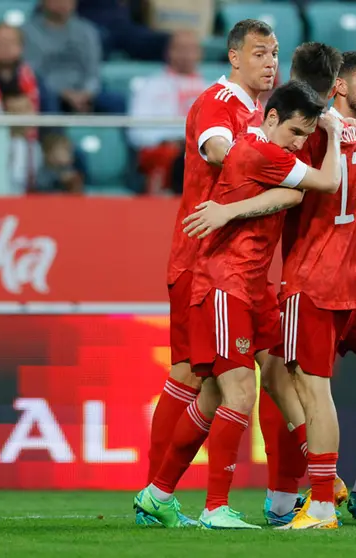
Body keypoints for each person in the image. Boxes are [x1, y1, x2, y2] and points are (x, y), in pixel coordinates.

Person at [183, 51, 356, 530]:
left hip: (313, 280)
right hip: (345, 279)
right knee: (282, 377)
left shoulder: (312, 137)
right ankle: (291, 494)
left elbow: (308, 196)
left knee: (299, 385)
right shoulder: (346, 135)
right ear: (338, 86)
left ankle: (322, 498)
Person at [135, 79, 343, 530]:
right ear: (270, 119)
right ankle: (215, 507)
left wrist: (236, 209)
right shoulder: (259, 151)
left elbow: (294, 193)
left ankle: (157, 493)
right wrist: (336, 133)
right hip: (226, 284)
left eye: (307, 136)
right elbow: (327, 181)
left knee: (216, 395)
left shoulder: (264, 151)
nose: (299, 143)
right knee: (240, 393)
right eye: (294, 133)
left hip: (250, 288)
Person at [141, 18, 278, 527]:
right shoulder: (218, 102)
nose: (270, 63)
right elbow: (218, 148)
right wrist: (273, 168)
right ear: (234, 57)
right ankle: (159, 491)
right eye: (260, 53)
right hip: (203, 261)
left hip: (239, 268)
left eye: (275, 54)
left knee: (220, 384)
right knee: (190, 375)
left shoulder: (258, 110)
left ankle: (158, 493)